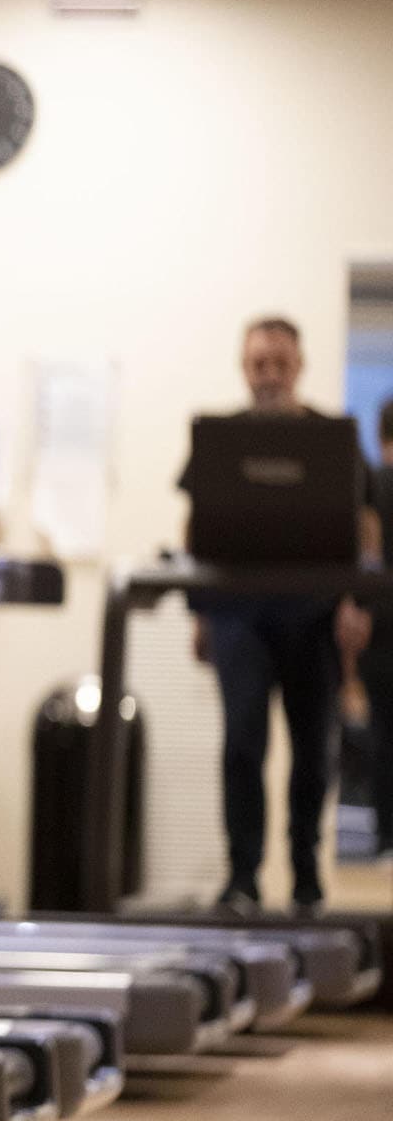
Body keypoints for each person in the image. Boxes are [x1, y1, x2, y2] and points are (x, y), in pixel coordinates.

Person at [186, 317, 374, 917]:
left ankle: (305, 877)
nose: (269, 374)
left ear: (299, 366)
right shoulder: (220, 440)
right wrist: (199, 614)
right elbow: (196, 527)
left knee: (313, 751)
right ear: (245, 368)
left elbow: (364, 529)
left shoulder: (332, 440)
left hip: (313, 616)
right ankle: (242, 877)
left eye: (280, 363)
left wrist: (356, 602)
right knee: (243, 743)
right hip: (238, 615)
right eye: (258, 363)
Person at [356, 399, 393, 859]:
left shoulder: (371, 485)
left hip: (379, 630)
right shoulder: (373, 484)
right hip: (381, 630)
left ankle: (387, 836)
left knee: (385, 736)